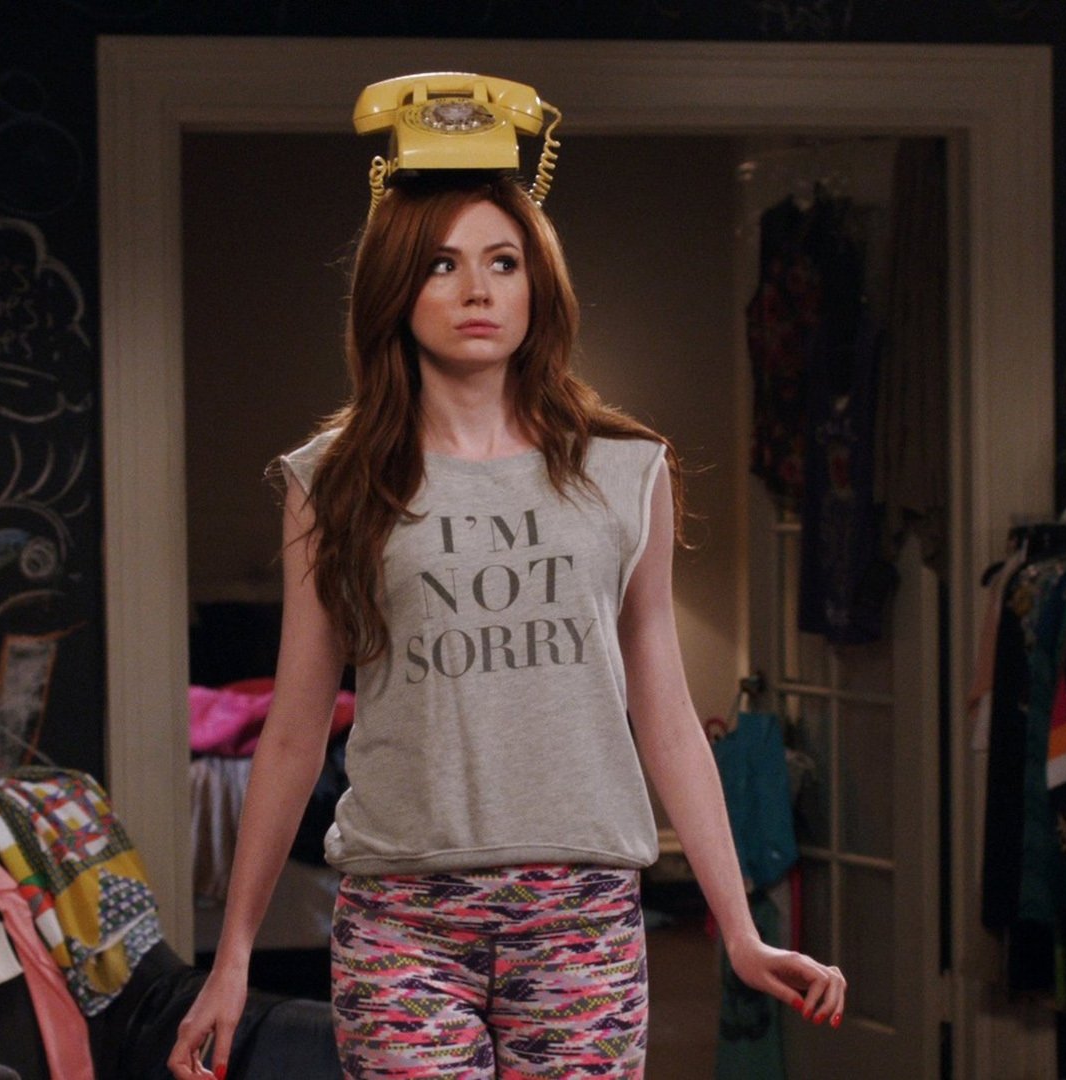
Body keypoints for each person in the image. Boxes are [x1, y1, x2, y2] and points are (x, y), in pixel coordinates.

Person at [170, 76, 846, 1080]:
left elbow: (664, 711)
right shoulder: (331, 481)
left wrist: (738, 931)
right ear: (396, 291)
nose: (478, 291)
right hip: (402, 917)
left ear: (538, 286)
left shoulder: (628, 470)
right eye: (441, 265)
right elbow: (296, 731)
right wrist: (231, 961)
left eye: (503, 262)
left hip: (581, 914)